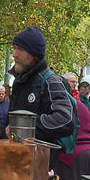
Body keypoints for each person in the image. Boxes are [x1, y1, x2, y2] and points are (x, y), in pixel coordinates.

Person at [8, 26, 77, 167]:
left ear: (34, 55)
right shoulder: (19, 81)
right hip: (18, 160)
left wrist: (23, 127)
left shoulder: (51, 81)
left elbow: (65, 120)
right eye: (14, 48)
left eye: (20, 49)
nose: (14, 54)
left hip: (42, 165)